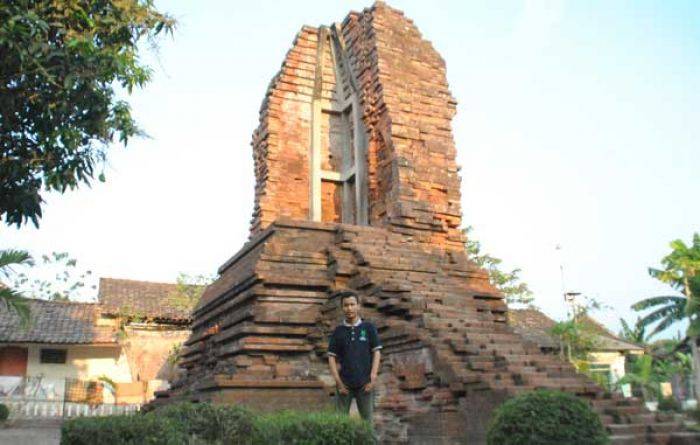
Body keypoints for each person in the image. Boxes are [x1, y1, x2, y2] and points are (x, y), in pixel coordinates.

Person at [327, 290, 382, 423]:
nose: (349, 308)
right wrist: (338, 382)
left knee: (367, 423)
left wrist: (373, 377)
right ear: (342, 308)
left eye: (352, 304)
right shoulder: (338, 331)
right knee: (340, 423)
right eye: (346, 305)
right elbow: (331, 357)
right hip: (344, 384)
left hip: (365, 383)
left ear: (358, 306)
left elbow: (376, 352)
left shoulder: (368, 328)